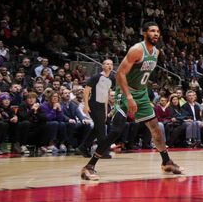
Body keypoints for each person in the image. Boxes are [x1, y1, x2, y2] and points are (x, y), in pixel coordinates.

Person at [80, 22, 182, 180]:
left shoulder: (156, 52)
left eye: (158, 31)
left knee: (156, 128)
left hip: (141, 94)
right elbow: (120, 74)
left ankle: (166, 162)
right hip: (125, 92)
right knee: (116, 130)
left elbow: (141, 75)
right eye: (152, 31)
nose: (156, 34)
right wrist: (128, 97)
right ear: (144, 33)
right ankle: (89, 166)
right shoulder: (136, 50)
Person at [76, 59, 116, 157]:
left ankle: (83, 147)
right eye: (107, 64)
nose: (109, 66)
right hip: (93, 104)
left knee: (98, 128)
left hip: (102, 105)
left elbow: (107, 94)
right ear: (103, 66)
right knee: (101, 129)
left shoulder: (112, 78)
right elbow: (86, 91)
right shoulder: (96, 77)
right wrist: (86, 105)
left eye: (111, 64)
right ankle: (102, 152)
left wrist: (106, 110)